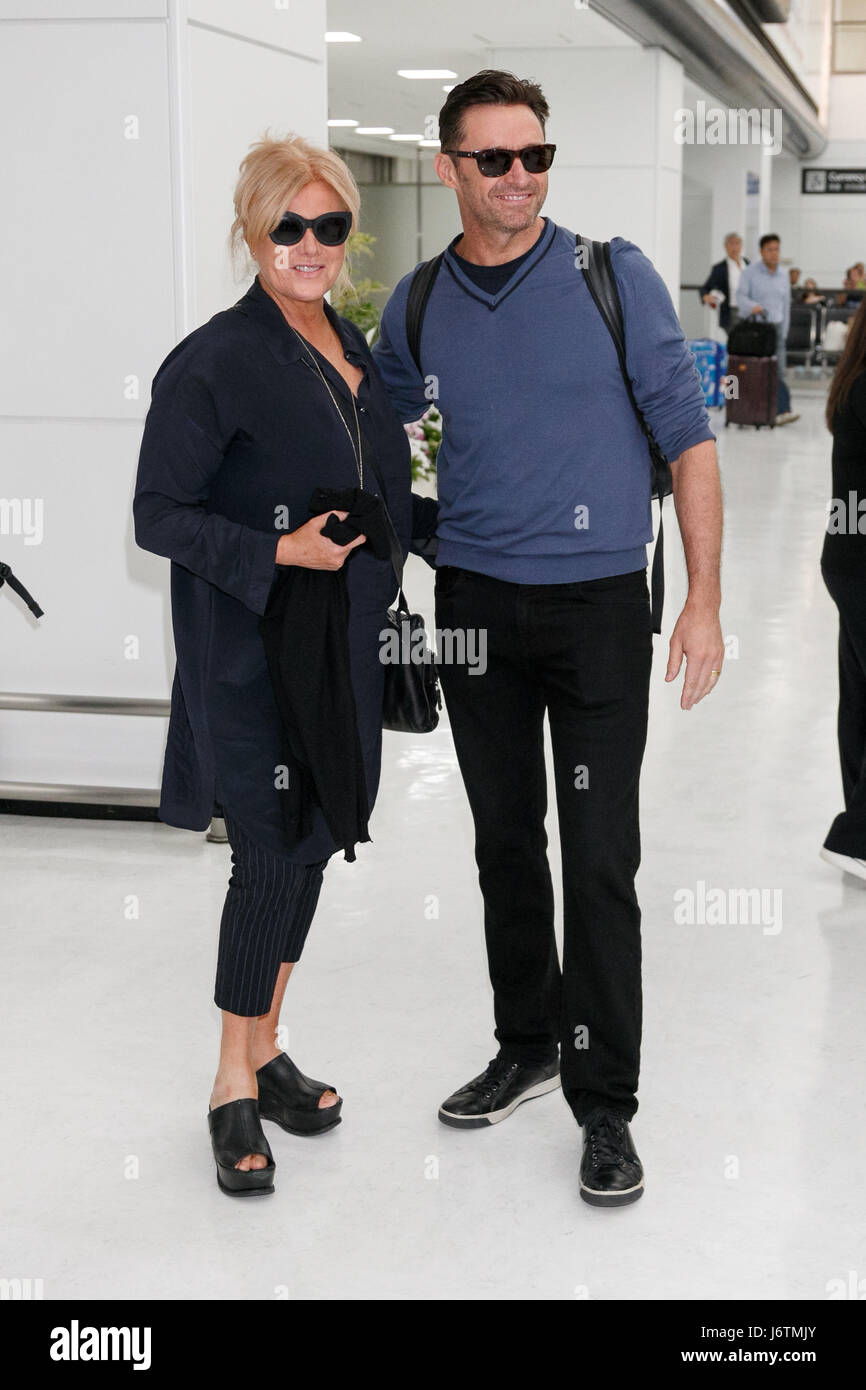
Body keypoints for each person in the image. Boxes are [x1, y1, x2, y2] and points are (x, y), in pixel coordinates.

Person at [373, 69, 724, 1208]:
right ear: (450, 170)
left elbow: (689, 444)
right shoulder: (416, 304)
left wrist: (705, 600)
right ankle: (524, 1042)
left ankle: (604, 1100)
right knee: (501, 843)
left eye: (535, 156)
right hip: (471, 608)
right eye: (495, 159)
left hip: (596, 613)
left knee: (599, 857)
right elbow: (380, 449)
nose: (519, 176)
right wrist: (409, 550)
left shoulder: (608, 275)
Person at [133, 134, 437, 1197]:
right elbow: (156, 514)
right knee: (265, 853)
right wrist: (277, 548)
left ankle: (266, 1044)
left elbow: (380, 489)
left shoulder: (351, 348)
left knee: (312, 842)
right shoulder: (214, 359)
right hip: (253, 655)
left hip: (342, 648)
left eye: (329, 225)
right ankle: (229, 1083)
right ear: (251, 234)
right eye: (287, 228)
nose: (310, 246)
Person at [820, 302, 866, 883]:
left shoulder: (853, 380)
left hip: (850, 561)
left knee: (858, 697)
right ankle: (855, 836)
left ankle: (858, 831)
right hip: (860, 564)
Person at [736, 232, 799, 426]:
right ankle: (745, 411)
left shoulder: (783, 276)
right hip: (756, 330)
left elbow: (786, 306)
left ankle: (782, 410)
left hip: (777, 329)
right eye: (770, 250)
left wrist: (785, 331)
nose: (774, 254)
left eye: (777, 249)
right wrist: (752, 306)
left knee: (778, 371)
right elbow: (741, 298)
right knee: (752, 371)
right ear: (762, 252)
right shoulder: (750, 273)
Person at [699, 232, 748, 333]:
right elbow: (705, 288)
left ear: (741, 245)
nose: (734, 247)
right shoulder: (719, 268)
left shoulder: (748, 264)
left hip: (748, 310)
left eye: (737, 243)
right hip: (732, 311)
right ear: (725, 247)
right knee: (735, 342)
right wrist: (705, 296)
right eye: (731, 244)